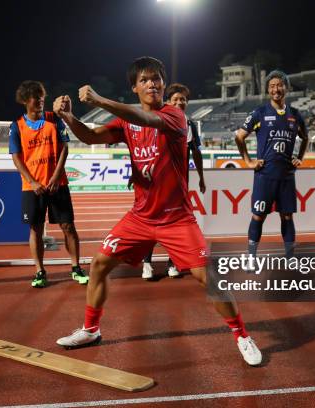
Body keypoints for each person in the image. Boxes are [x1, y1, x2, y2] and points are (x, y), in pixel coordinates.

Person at [52, 56, 261, 365]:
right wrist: (69, 118)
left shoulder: (175, 115)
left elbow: (146, 120)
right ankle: (91, 329)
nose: (152, 83)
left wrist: (97, 99)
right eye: (145, 80)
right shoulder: (125, 122)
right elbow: (91, 136)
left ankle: (242, 335)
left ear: (163, 84)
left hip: (176, 218)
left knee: (209, 277)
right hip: (140, 217)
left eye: (156, 79)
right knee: (98, 265)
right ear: (135, 88)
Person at [9, 80, 88, 288]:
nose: (41, 99)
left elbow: (64, 148)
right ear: (26, 100)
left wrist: (55, 177)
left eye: (42, 95)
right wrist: (33, 181)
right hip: (32, 188)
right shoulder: (17, 126)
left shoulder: (54, 119)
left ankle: (76, 267)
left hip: (57, 184)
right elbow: (16, 158)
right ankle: (40, 271)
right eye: (36, 96)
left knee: (68, 226)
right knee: (35, 229)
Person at [235, 70, 308, 261]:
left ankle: (290, 257)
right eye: (272, 86)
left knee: (287, 217)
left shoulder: (295, 115)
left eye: (279, 85)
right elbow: (239, 136)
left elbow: (305, 137)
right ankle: (251, 258)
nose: (276, 89)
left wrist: (299, 157)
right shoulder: (259, 113)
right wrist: (248, 161)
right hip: (264, 176)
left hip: (287, 177)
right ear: (268, 90)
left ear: (286, 88)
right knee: (258, 217)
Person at [141, 82, 206, 280]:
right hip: (155, 182)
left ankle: (173, 263)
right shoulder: (157, 119)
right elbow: (143, 148)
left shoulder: (190, 124)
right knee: (152, 222)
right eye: (175, 99)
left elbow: (196, 152)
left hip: (178, 184)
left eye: (183, 99)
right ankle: (146, 263)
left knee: (175, 224)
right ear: (168, 101)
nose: (180, 102)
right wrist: (137, 173)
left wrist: (202, 177)